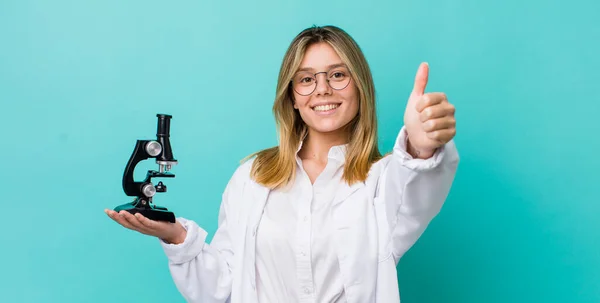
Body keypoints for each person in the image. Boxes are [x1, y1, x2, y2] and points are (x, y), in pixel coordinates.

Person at [105, 25, 459, 303]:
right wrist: (177, 238)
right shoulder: (252, 177)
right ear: (291, 96)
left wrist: (420, 143)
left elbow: (417, 185)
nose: (322, 89)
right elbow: (225, 288)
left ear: (360, 87)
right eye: (306, 79)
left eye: (338, 75)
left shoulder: (382, 182)